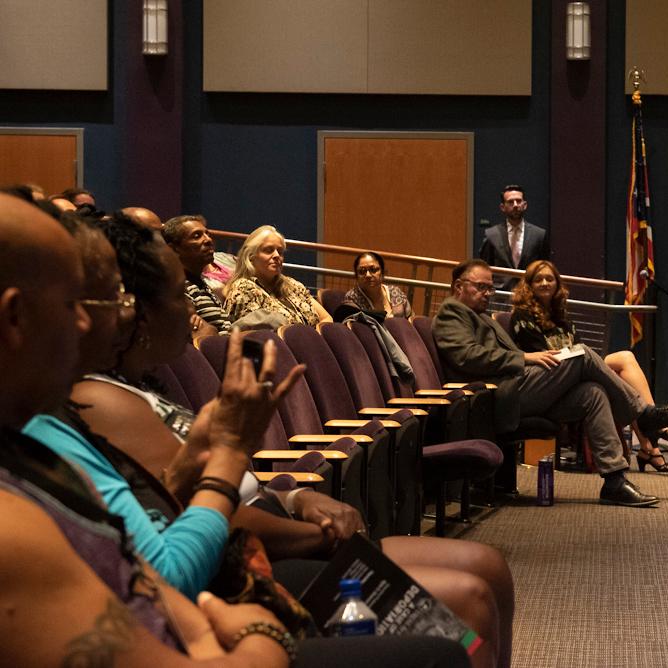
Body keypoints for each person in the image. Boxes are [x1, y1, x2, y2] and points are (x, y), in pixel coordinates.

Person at [70, 218, 512, 667]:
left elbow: (215, 486)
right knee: (470, 600)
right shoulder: (105, 401)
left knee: (488, 568)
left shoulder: (142, 385)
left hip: (272, 521)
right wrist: (312, 535)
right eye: (177, 295)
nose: (192, 310)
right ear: (137, 312)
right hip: (248, 566)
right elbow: (193, 517)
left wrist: (296, 495)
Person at [0, 193, 296, 667]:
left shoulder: (31, 445)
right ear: (14, 318)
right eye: (76, 301)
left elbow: (141, 570)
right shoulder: (15, 505)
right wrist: (265, 635)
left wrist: (190, 462)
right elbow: (169, 577)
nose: (90, 321)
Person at [434, 259, 668, 507]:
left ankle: (614, 481)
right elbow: (466, 357)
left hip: (520, 387)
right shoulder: (451, 314)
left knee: (592, 394)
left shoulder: (479, 315)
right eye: (481, 287)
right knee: (582, 354)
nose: (488, 293)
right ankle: (644, 415)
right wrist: (524, 356)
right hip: (499, 397)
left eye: (491, 287)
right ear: (459, 286)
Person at [510, 260, 668, 473]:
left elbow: (574, 344)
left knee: (624, 358)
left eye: (550, 278)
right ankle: (649, 420)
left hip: (570, 369)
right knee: (615, 360)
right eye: (538, 280)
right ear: (528, 286)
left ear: (558, 283)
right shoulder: (522, 316)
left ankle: (649, 443)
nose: (545, 283)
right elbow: (547, 356)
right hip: (546, 377)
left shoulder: (560, 313)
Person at [225, 225, 333, 328]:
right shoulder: (243, 289)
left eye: (280, 251)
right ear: (251, 256)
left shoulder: (293, 285)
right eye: (268, 250)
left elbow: (327, 318)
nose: (277, 256)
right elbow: (256, 336)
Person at [164, 214, 234, 336]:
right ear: (174, 249)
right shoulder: (177, 287)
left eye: (207, 234)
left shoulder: (202, 285)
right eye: (197, 236)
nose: (208, 240)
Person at [478, 185, 550, 290]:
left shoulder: (539, 235)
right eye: (510, 202)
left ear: (525, 205)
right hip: (500, 296)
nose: (515, 205)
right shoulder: (491, 235)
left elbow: (544, 268)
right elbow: (484, 268)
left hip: (529, 294)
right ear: (502, 207)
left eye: (518, 201)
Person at [342, 251, 413, 319]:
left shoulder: (395, 292)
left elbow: (410, 317)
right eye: (362, 271)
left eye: (373, 269)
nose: (368, 275)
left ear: (383, 272)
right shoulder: (352, 298)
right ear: (356, 276)